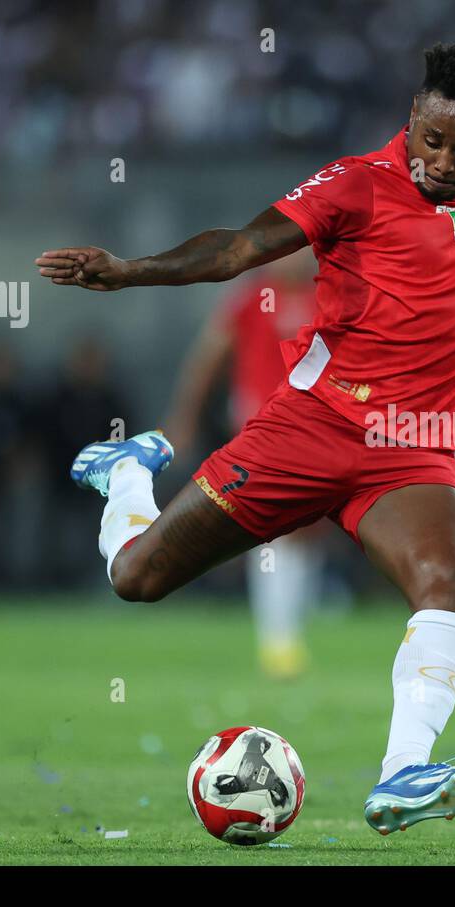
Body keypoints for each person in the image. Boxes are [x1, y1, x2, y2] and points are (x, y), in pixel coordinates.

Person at [35, 41, 455, 834]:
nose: (443, 161)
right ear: (412, 119)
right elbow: (237, 248)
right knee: (136, 579)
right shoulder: (353, 186)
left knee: (452, 583)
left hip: (412, 448)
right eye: (431, 140)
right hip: (314, 427)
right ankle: (129, 474)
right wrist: (129, 270)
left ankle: (403, 773)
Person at [161, 248, 325, 679]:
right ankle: (278, 641)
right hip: (264, 427)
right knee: (275, 528)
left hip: (320, 427)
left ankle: (290, 629)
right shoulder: (252, 297)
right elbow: (207, 359)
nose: (296, 259)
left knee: (308, 532)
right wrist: (184, 417)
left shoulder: (328, 294)